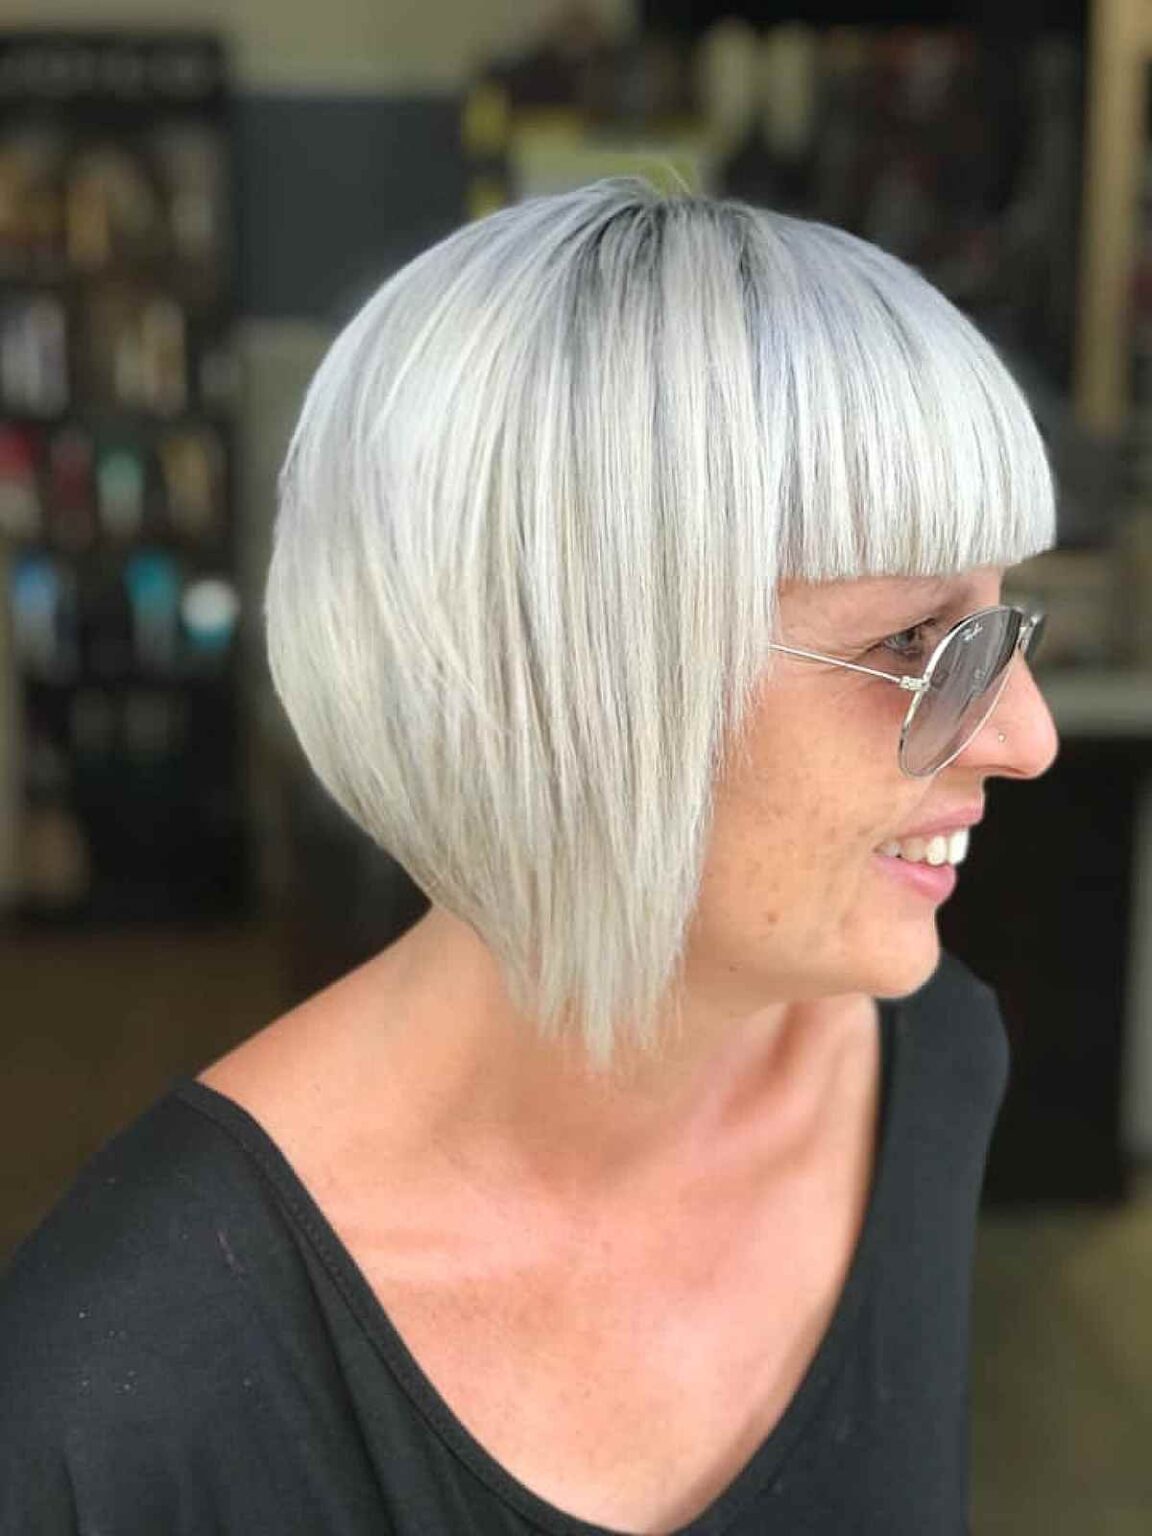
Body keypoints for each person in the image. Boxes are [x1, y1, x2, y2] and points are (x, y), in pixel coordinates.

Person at [0, 178, 1059, 1535]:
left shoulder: (931, 1068)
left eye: (1001, 624)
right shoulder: (120, 1386)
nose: (1026, 737)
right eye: (916, 642)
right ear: (570, 686)